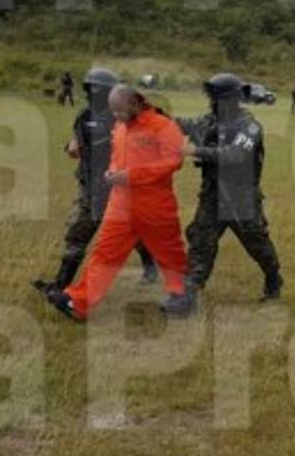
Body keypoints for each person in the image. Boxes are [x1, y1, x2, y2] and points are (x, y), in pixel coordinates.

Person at [48, 85, 189, 321]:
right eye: (112, 111)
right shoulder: (121, 126)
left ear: (135, 103)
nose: (115, 115)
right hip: (120, 203)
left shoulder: (163, 125)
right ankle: (79, 302)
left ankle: (181, 295)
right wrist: (112, 172)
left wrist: (133, 176)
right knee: (105, 252)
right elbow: (116, 157)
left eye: (119, 110)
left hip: (155, 204)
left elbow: (174, 161)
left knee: (169, 251)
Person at [32, 67, 158, 297]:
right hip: (90, 188)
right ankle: (60, 285)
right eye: (91, 89)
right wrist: (73, 145)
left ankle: (151, 266)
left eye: (98, 90)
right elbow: (79, 143)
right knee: (77, 234)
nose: (94, 94)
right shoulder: (84, 116)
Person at [167, 73, 283, 310]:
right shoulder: (210, 121)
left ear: (232, 99)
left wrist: (195, 151)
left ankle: (273, 277)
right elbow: (183, 124)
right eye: (211, 98)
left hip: (241, 199)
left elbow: (235, 154)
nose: (212, 102)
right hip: (212, 197)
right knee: (201, 243)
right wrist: (154, 118)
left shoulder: (249, 126)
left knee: (258, 246)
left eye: (216, 98)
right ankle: (188, 295)